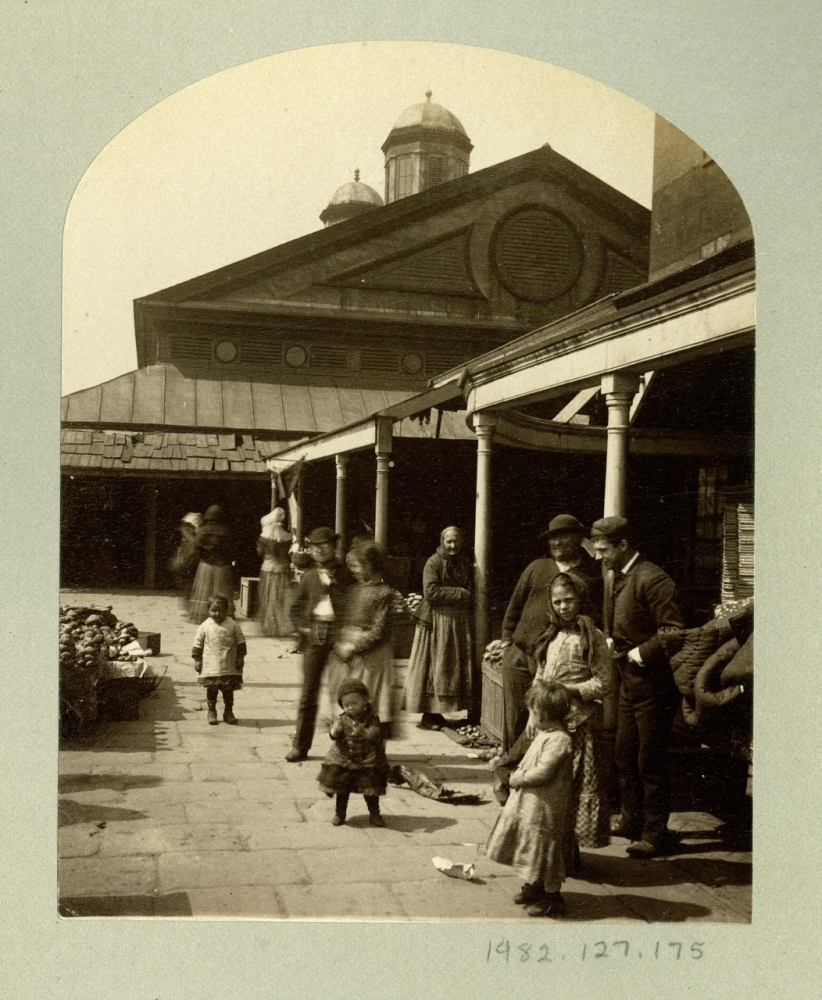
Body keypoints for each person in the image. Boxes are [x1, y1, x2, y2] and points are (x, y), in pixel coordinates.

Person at [493, 573, 614, 861]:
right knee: (543, 788)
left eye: (569, 600)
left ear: (581, 600)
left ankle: (566, 854)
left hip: (578, 724)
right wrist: (535, 713)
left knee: (570, 789)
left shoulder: (592, 637)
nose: (563, 607)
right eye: (557, 601)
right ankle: (549, 852)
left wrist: (567, 689)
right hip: (546, 723)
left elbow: (604, 683)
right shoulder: (552, 634)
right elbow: (539, 675)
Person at [590, 515, 685, 858]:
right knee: (623, 752)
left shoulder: (653, 578)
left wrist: (638, 653)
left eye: (603, 550)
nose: (598, 556)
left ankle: (655, 833)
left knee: (650, 758)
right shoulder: (619, 576)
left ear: (623, 546)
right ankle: (632, 819)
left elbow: (673, 631)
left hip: (653, 684)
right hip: (629, 682)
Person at [497, 514, 602, 753]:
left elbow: (592, 619)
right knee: (515, 717)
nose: (556, 543)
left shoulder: (588, 576)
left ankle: (536, 771)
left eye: (563, 536)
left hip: (550, 660)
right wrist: (505, 643)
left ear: (578, 539)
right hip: (518, 656)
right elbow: (515, 606)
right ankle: (511, 769)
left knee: (544, 719)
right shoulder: (536, 567)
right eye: (552, 538)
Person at [485, 680, 574, 918]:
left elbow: (544, 772)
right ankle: (536, 887)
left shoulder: (560, 740)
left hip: (545, 807)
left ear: (543, 715)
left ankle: (553, 898)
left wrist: (518, 778)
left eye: (533, 712)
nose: (531, 716)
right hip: (531, 805)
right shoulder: (546, 733)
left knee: (544, 851)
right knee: (533, 849)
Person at [286, 526, 352, 762]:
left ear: (334, 547)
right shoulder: (309, 577)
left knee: (346, 695)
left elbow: (355, 605)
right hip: (314, 638)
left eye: (325, 545)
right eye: (315, 546)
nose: (320, 550)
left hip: (339, 640)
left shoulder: (346, 575)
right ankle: (300, 746)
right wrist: (303, 628)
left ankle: (349, 747)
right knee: (308, 694)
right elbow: (295, 609)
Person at [324, 541, 396, 739]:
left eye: (357, 565)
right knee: (346, 701)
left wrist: (354, 646)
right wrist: (339, 642)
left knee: (369, 703)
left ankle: (372, 750)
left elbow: (379, 630)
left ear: (370, 565)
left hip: (371, 656)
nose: (353, 570)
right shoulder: (354, 589)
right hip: (348, 651)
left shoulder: (384, 593)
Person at [404, 526, 474, 730]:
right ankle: (429, 715)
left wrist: (462, 594)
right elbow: (431, 592)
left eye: (456, 541)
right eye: (449, 541)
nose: (452, 545)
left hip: (456, 621)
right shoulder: (433, 563)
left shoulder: (464, 563)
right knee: (434, 666)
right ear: (442, 542)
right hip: (435, 621)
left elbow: (471, 589)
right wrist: (459, 593)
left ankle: (440, 713)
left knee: (449, 666)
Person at [318, 677, 388, 827]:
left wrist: (364, 732)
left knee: (370, 789)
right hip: (345, 759)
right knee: (342, 789)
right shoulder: (342, 719)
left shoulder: (372, 719)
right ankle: (340, 813)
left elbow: (376, 734)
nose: (350, 708)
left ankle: (374, 813)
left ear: (365, 701)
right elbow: (333, 735)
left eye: (354, 703)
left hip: (367, 759)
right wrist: (334, 731)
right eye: (346, 705)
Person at [191, 594, 247, 726]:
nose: (217, 613)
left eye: (220, 611)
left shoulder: (233, 625)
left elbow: (241, 642)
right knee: (212, 690)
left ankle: (228, 712)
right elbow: (197, 644)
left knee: (228, 690)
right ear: (208, 610)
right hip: (211, 665)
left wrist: (240, 658)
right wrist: (197, 660)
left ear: (227, 611)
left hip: (229, 665)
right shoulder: (205, 626)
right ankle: (211, 711)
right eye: (213, 610)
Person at [189, 505, 235, 623]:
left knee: (204, 590)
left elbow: (196, 546)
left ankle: (205, 614)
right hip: (222, 565)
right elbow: (231, 549)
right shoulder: (226, 530)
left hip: (207, 564)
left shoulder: (204, 529)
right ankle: (222, 614)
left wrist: (203, 555)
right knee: (222, 590)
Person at [256, 508, 294, 637]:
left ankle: (270, 626)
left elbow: (260, 553)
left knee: (269, 598)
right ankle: (280, 626)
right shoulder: (287, 536)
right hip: (283, 570)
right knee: (280, 598)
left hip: (268, 568)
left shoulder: (264, 537)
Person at [169, 512, 203, 614]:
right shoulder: (189, 530)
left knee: (187, 582)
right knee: (187, 581)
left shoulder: (186, 529)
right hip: (188, 555)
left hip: (187, 554)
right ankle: (186, 606)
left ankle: (186, 606)